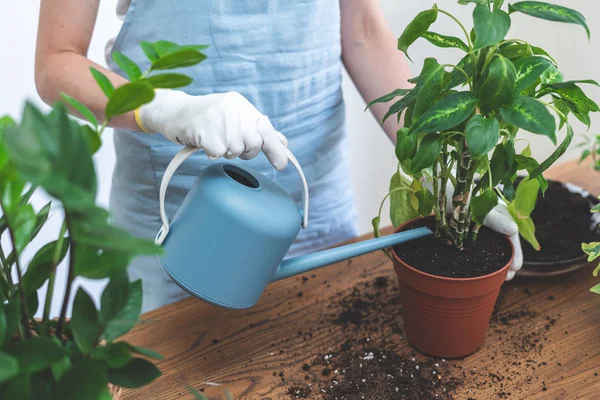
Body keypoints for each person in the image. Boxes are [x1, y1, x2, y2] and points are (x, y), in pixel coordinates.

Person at [35, 0, 522, 312]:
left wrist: (432, 158)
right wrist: (166, 108)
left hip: (314, 204)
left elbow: (362, 32)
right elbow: (56, 62)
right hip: (176, 220)